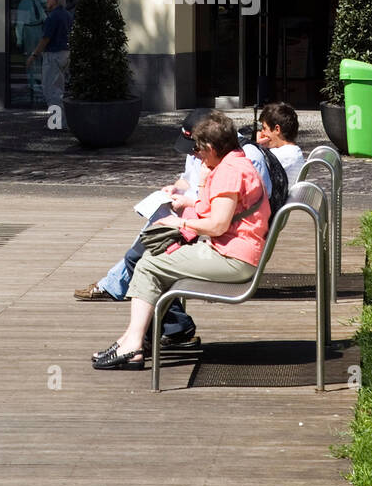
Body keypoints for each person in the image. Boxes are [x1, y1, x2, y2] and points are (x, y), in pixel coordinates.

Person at [75, 107, 274, 349]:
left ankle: (133, 343)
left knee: (148, 264)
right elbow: (221, 210)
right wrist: (194, 194)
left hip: (233, 257)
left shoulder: (228, 172)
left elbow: (218, 225)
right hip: (238, 251)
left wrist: (179, 222)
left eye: (198, 151)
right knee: (155, 256)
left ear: (210, 149)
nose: (196, 156)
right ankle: (143, 337)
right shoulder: (233, 162)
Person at [26, 0, 72, 124]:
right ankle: (61, 121)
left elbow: (45, 39)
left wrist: (34, 55)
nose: (47, 0)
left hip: (53, 56)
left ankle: (57, 123)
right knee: (58, 89)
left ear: (56, 0)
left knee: (50, 91)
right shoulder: (67, 15)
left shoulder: (53, 17)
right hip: (64, 54)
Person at [257, 101, 305, 186]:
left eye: (264, 128)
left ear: (277, 129)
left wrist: (257, 147)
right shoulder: (294, 150)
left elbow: (253, 171)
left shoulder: (281, 155)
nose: (262, 133)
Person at [14, 0, 46, 100]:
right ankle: (32, 83)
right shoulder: (24, 3)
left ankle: (39, 81)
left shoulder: (36, 1)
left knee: (39, 56)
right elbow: (20, 23)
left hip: (38, 28)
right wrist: (19, 39)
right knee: (30, 56)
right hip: (29, 29)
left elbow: (43, 15)